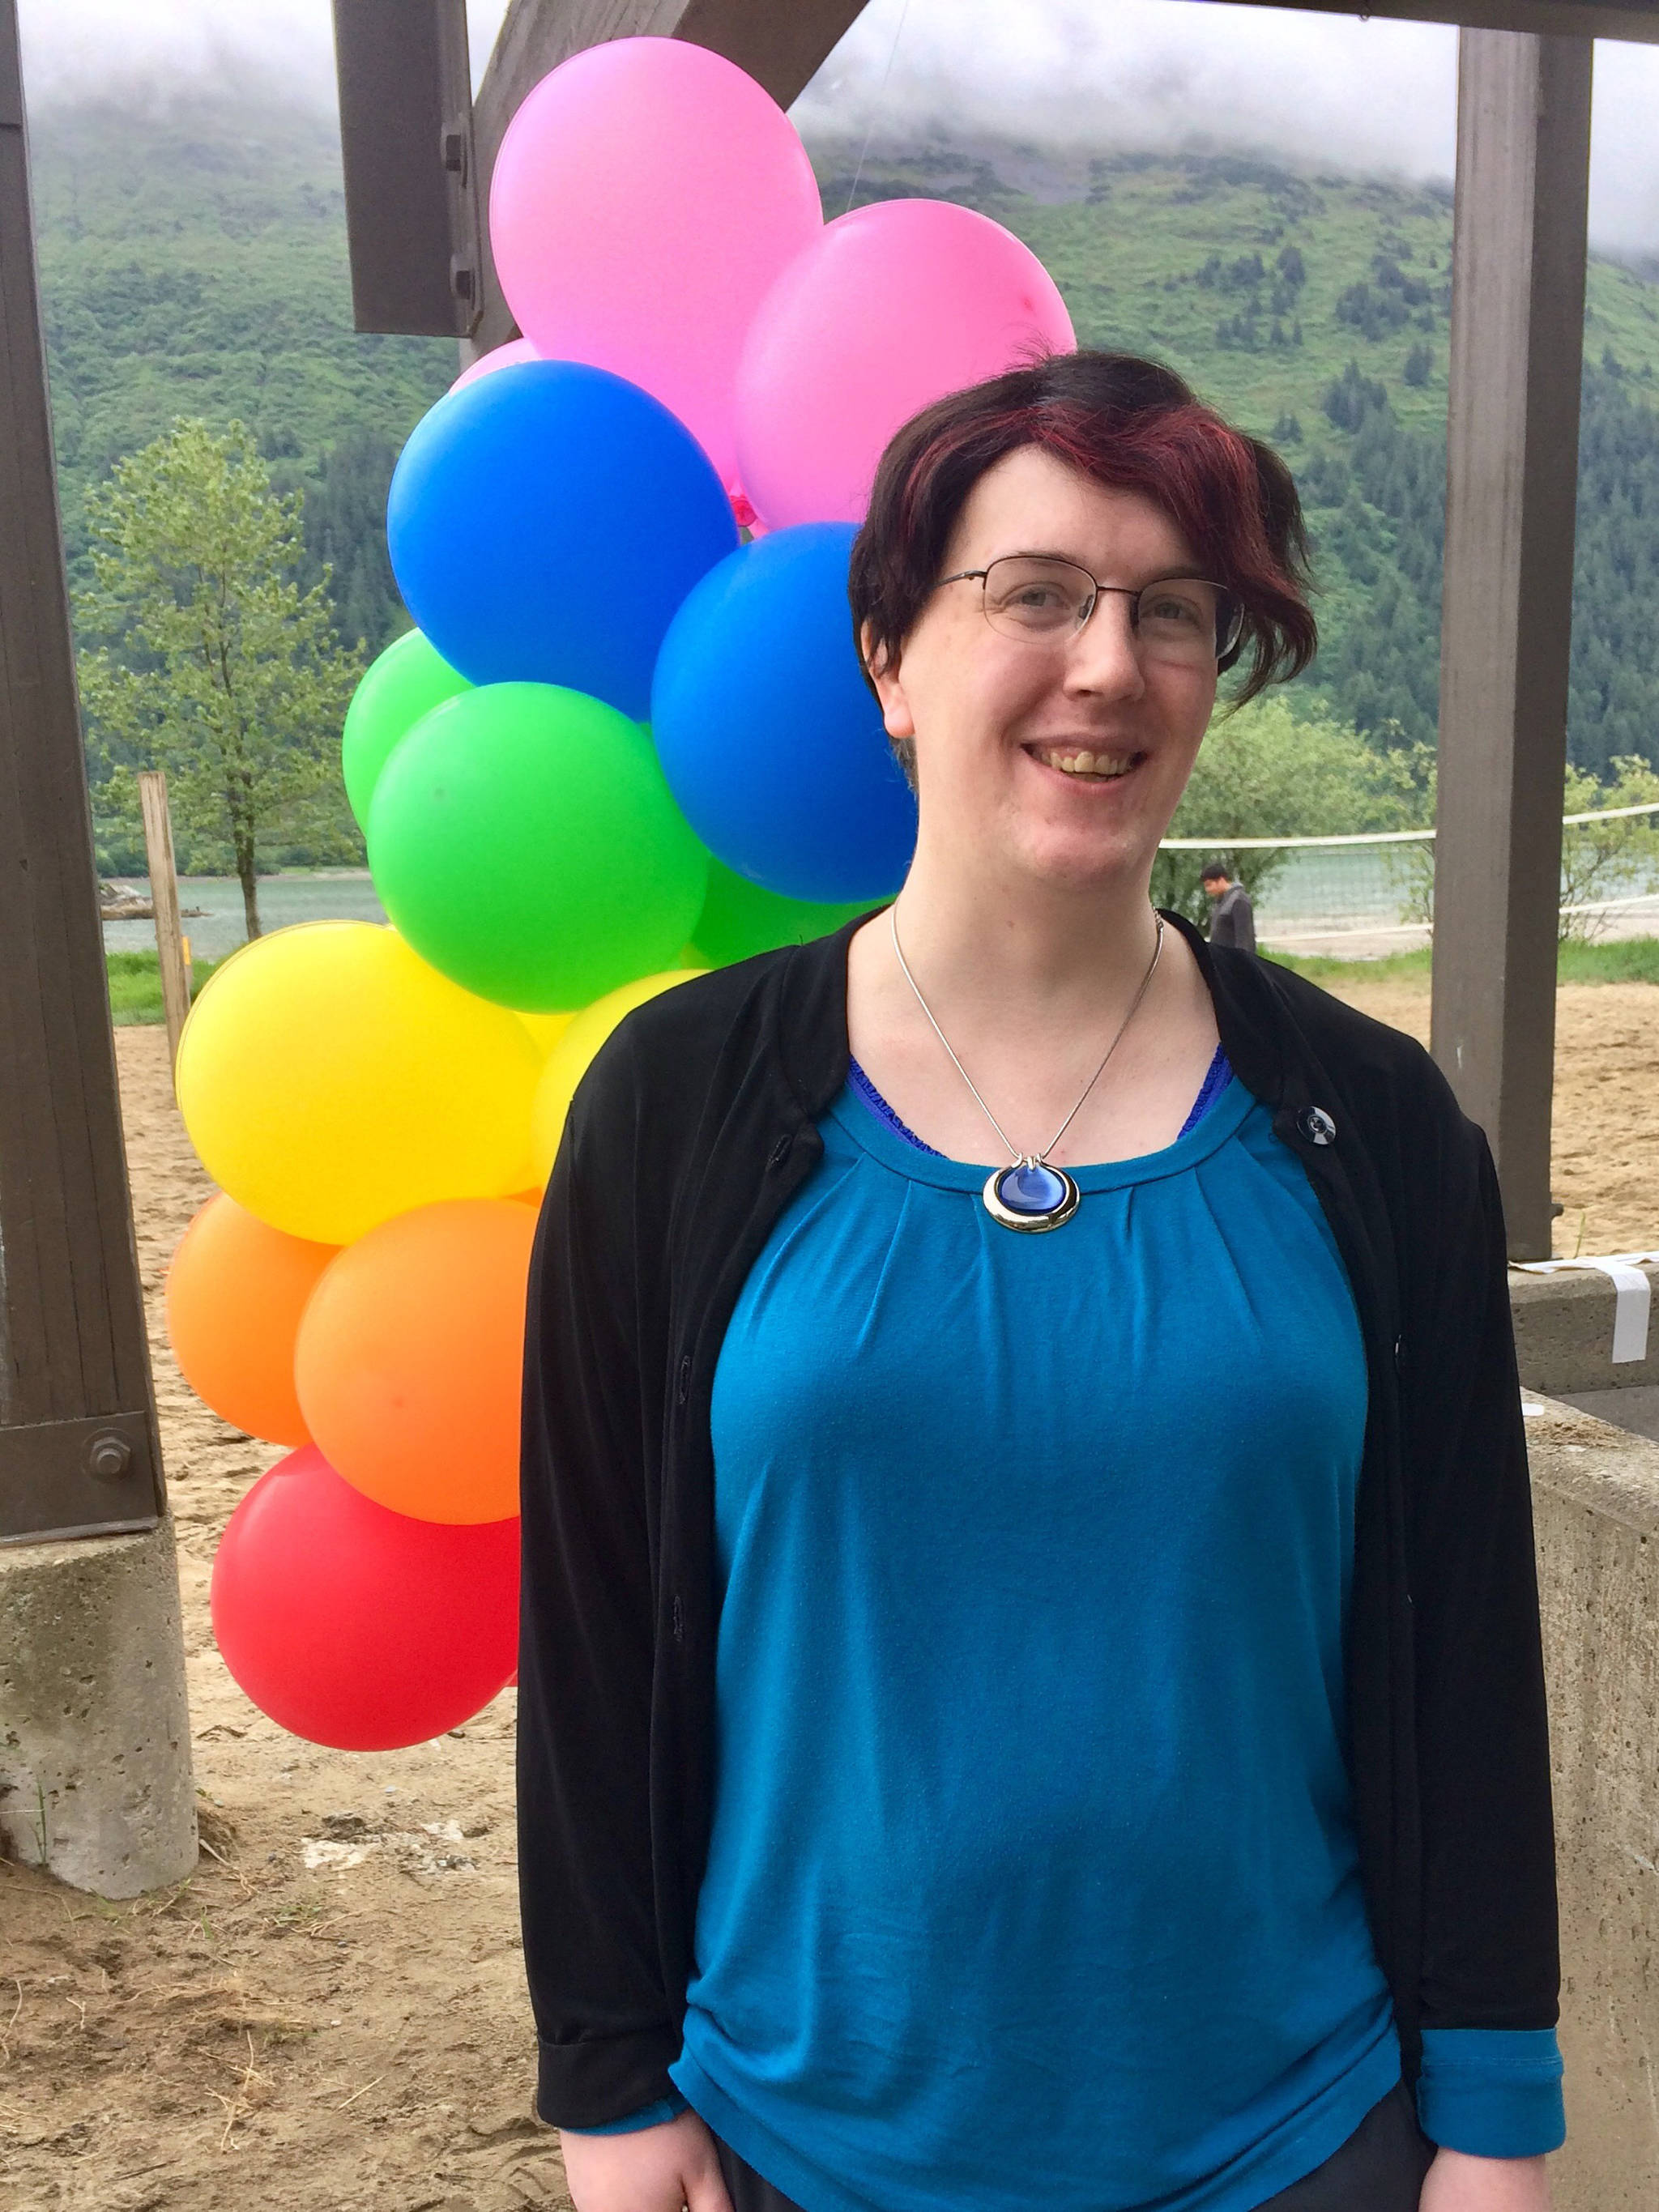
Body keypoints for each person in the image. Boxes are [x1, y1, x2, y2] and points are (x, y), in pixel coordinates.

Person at [518, 352, 1563, 2212]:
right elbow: (594, 1632)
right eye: (1035, 595)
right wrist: (608, 2083)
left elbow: (1465, 1642)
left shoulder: (1372, 1125)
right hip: (797, 2141)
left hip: (1297, 2138)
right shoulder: (679, 1110)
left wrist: (1490, 2111)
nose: (1109, 664)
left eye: (1173, 612)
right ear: (886, 658)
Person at [1202, 858, 1256, 952]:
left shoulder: (1239, 901)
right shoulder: (1220, 903)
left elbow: (1245, 939)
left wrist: (1242, 962)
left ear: (1221, 880)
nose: (1207, 890)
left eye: (1209, 885)